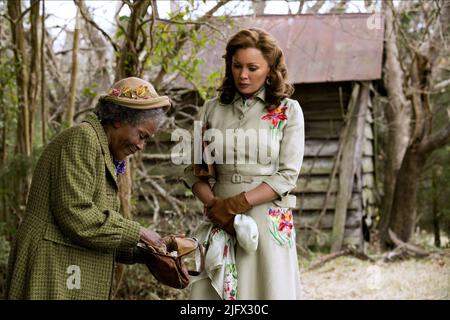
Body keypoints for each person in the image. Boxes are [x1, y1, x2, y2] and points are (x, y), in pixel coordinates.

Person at [5, 77, 171, 299]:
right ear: (119, 119)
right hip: (50, 268)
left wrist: (151, 251)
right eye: (141, 135)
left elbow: (101, 230)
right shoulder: (83, 138)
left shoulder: (105, 153)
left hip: (65, 269)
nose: (141, 146)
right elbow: (77, 215)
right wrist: (139, 233)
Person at [183, 28, 305, 300]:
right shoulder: (211, 109)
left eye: (253, 67)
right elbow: (194, 171)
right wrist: (216, 207)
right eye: (237, 66)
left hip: (266, 219)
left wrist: (236, 205)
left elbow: (287, 175)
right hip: (219, 220)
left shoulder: (288, 111)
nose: (243, 75)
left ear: (271, 70)